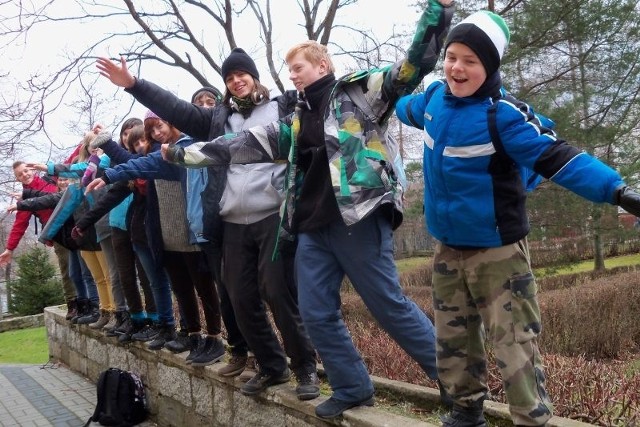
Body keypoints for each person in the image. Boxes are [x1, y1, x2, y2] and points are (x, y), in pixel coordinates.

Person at [162, 0, 455, 418]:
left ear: (322, 64)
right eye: (289, 70)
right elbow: (242, 145)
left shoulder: (358, 94)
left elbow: (410, 68)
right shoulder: (296, 118)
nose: (291, 75)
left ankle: (456, 387)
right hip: (313, 226)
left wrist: (438, 15)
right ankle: (352, 386)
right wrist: (182, 156)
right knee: (316, 312)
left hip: (360, 216)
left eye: (297, 67)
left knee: (388, 306)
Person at [394, 10, 640, 427]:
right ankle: (466, 410)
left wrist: (617, 190)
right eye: (452, 56)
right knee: (453, 340)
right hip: (447, 248)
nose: (457, 67)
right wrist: (386, 96)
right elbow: (405, 107)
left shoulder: (503, 116)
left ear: (489, 66)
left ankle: (532, 419)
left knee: (514, 344)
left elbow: (561, 158)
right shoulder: (434, 98)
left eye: (470, 61)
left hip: (498, 253)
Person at [95, 50, 320, 398]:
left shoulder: (283, 106)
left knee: (277, 292)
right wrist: (134, 84)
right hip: (231, 220)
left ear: (254, 77)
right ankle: (272, 367)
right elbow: (175, 108)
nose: (236, 81)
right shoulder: (219, 119)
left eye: (241, 74)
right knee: (240, 298)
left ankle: (304, 366)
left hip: (273, 215)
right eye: (229, 78)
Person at [1, 163, 77, 318]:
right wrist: (9, 248)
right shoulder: (24, 199)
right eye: (20, 174)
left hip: (75, 226)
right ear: (17, 178)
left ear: (33, 170)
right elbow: (19, 225)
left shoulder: (49, 180)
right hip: (58, 235)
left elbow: (69, 164)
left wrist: (88, 142)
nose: (25, 175)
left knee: (85, 266)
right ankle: (73, 304)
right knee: (67, 268)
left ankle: (91, 302)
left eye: (26, 171)